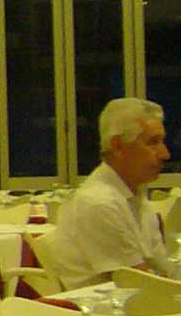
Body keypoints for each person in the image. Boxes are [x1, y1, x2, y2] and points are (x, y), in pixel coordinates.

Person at [42, 95, 172, 288]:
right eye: (153, 142)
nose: (165, 154)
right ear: (117, 146)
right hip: (104, 305)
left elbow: (163, 270)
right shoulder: (99, 202)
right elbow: (138, 283)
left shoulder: (135, 196)